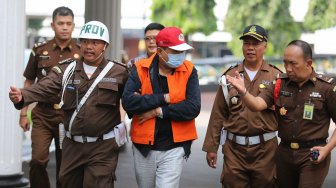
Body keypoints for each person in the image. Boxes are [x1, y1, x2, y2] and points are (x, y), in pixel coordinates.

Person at [9, 20, 128, 188]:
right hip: (72, 146)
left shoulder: (119, 72)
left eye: (95, 42)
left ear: (105, 46)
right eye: (85, 41)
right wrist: (23, 95)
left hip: (102, 148)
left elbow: (133, 100)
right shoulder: (67, 69)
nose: (88, 46)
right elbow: (45, 86)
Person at [226, 39, 336, 188]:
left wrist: (327, 148)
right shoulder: (280, 83)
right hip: (284, 154)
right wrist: (243, 91)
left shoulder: (326, 88)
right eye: (285, 63)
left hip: (312, 154)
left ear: (308, 63)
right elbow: (257, 105)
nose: (288, 68)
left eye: (293, 63)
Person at [202, 25, 282, 188]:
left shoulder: (276, 77)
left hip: (265, 150)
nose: (250, 48)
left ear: (265, 46)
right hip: (234, 150)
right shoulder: (230, 76)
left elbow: (286, 114)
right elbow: (218, 113)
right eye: (246, 43)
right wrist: (212, 147)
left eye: (255, 43)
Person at [122, 26, 201, 188]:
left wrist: (158, 111)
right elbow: (128, 102)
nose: (180, 56)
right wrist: (164, 98)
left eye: (182, 51)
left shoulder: (189, 71)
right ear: (160, 51)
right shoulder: (140, 69)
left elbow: (193, 107)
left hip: (175, 146)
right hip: (144, 146)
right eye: (175, 52)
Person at [20, 6, 80, 188]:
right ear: (53, 25)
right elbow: (29, 81)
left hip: (68, 117)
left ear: (73, 26)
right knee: (38, 160)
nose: (64, 27)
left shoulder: (81, 52)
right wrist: (23, 113)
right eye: (61, 23)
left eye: (68, 24)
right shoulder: (40, 50)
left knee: (65, 166)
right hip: (42, 115)